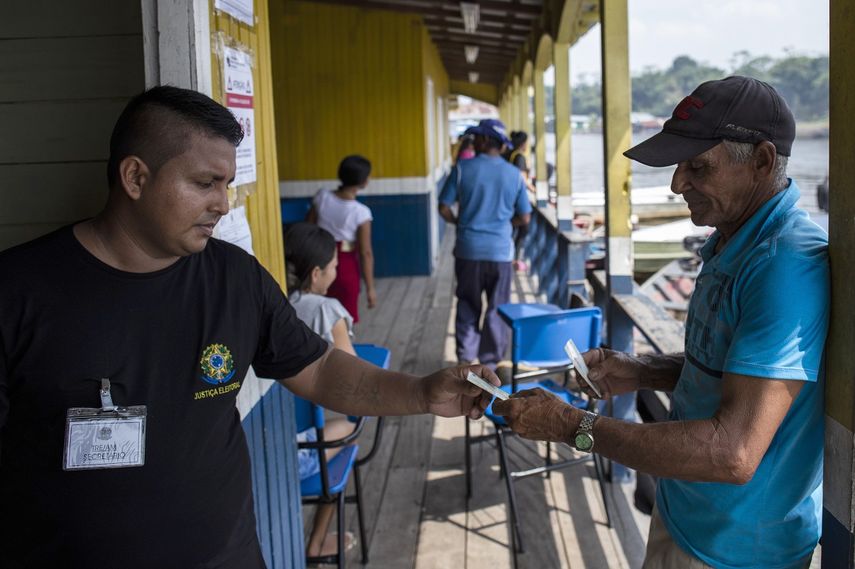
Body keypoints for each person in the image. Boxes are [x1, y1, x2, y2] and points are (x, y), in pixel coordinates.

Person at [0, 86, 500, 569]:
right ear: (135, 178)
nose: (222, 202)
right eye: (204, 183)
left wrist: (420, 392)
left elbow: (320, 369)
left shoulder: (234, 277)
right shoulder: (20, 291)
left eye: (227, 185)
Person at [494, 76, 829, 569]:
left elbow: (733, 453)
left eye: (698, 167)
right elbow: (728, 365)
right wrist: (643, 369)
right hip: (688, 512)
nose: (677, 184)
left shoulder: (783, 267)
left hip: (735, 550)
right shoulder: (733, 238)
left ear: (760, 161)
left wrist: (570, 424)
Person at [284, 222, 360, 559]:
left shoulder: (279, 305)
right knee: (351, 430)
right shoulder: (327, 311)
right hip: (298, 453)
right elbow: (354, 375)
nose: (335, 273)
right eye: (332, 267)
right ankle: (315, 543)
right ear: (316, 273)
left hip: (267, 444)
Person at [438, 119, 532, 369]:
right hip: (500, 252)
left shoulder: (461, 169)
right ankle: (489, 365)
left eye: (477, 137)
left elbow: (443, 207)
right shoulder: (513, 174)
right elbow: (524, 217)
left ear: (483, 141)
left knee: (468, 304)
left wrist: (459, 222)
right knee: (497, 308)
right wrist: (503, 222)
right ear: (500, 146)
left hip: (468, 250)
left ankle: (466, 361)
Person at [306, 155, 376, 323]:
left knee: (318, 314)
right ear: (363, 182)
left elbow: (308, 227)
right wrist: (370, 289)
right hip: (345, 266)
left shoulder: (322, 196)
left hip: (319, 260)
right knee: (344, 320)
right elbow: (366, 253)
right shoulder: (361, 213)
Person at [504, 131, 536, 272]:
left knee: (513, 228)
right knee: (523, 226)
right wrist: (534, 190)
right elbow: (523, 179)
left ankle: (512, 257)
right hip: (518, 198)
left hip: (509, 196)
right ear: (524, 143)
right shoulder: (519, 157)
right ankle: (515, 259)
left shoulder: (509, 154)